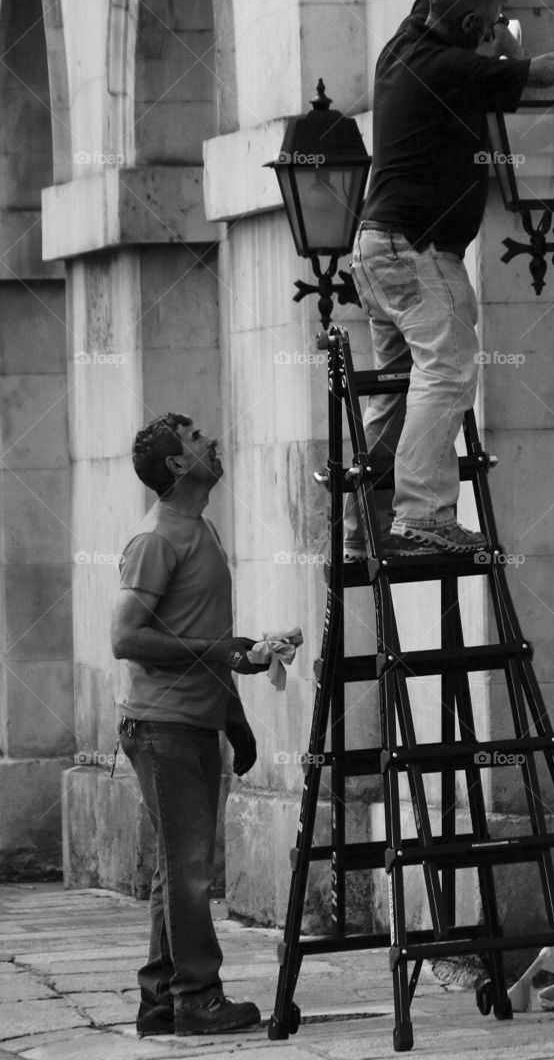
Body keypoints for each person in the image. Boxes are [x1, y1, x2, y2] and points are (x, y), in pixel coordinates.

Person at [346, 0, 554, 560]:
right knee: (447, 371)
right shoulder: (448, 68)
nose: (499, 32)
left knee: (394, 393)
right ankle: (423, 515)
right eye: (492, 23)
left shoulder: (406, 42)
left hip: (377, 251)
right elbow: (542, 72)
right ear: (468, 24)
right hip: (418, 252)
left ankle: (366, 524)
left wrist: (491, 7)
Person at [111, 412, 267, 1037]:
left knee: (175, 870)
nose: (213, 441)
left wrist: (235, 716)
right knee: (191, 871)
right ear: (178, 465)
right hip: (161, 728)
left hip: (194, 725)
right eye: (198, 438)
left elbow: (204, 633)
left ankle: (159, 999)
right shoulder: (157, 538)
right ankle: (198, 997)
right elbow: (127, 637)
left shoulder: (201, 529)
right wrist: (224, 652)